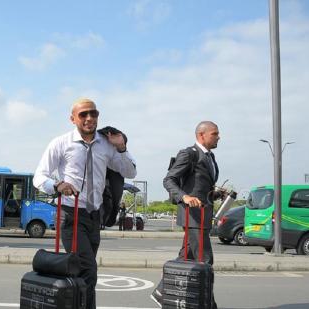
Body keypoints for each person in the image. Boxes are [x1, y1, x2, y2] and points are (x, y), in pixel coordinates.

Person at [33, 97, 137, 309]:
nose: (90, 118)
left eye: (94, 113)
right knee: (89, 270)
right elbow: (39, 177)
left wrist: (121, 147)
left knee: (82, 272)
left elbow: (130, 171)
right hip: (71, 214)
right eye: (83, 114)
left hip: (94, 216)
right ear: (73, 119)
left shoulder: (106, 146)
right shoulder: (60, 143)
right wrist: (57, 185)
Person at [151, 121, 220, 308]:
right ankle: (208, 304)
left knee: (186, 257)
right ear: (201, 135)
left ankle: (160, 292)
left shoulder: (210, 157)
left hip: (204, 214)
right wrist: (185, 197)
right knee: (205, 260)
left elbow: (200, 185)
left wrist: (215, 194)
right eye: (215, 134)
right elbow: (169, 180)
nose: (218, 137)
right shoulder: (189, 154)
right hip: (193, 216)